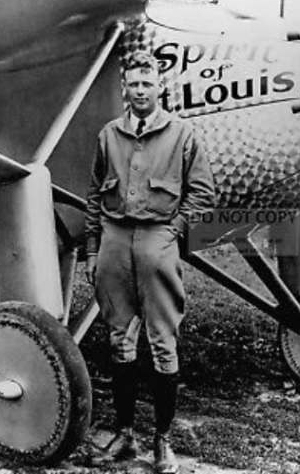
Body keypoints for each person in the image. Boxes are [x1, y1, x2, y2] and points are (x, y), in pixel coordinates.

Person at [84, 51, 215, 473]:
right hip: (114, 243)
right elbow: (92, 196)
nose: (140, 92)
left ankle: (162, 440)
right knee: (119, 340)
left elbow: (203, 193)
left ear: (160, 87)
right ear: (126, 87)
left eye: (147, 84)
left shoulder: (182, 135)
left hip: (158, 240)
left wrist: (174, 229)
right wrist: (91, 249)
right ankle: (124, 434)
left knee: (163, 343)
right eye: (134, 85)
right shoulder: (109, 135)